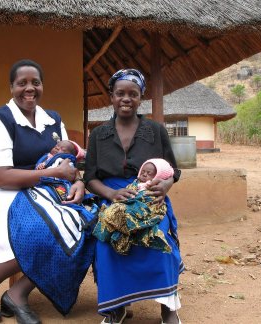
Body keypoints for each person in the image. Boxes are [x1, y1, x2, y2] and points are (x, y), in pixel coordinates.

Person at [0, 59, 95, 324]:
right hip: (1, 195)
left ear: (42, 86)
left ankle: (17, 292)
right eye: (22, 83)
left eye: (35, 83)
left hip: (44, 193)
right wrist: (51, 174)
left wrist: (78, 182)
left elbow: (67, 163)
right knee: (44, 231)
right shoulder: (0, 120)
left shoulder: (53, 120)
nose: (29, 89)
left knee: (86, 224)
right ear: (11, 87)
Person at [84, 68, 184, 324]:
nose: (126, 98)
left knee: (158, 237)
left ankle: (168, 307)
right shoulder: (98, 135)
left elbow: (173, 170)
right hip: (113, 198)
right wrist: (111, 193)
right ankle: (117, 307)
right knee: (108, 240)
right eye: (120, 93)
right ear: (111, 97)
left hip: (151, 198)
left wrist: (165, 186)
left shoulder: (155, 130)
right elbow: (90, 178)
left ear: (141, 98)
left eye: (133, 94)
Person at [92, 158, 174, 255]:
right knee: (109, 217)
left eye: (149, 173)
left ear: (158, 176)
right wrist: (114, 194)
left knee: (158, 235)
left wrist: (166, 184)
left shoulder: (153, 187)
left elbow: (150, 202)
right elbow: (89, 176)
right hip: (114, 194)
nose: (144, 174)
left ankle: (127, 230)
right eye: (142, 172)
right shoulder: (136, 183)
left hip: (145, 207)